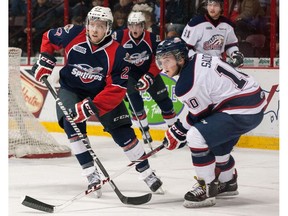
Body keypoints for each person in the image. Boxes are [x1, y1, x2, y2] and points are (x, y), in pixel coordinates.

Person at [30, 6, 163, 197]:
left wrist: (91, 106)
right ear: (87, 24)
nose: (94, 29)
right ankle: (91, 174)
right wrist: (45, 61)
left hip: (103, 93)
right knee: (71, 122)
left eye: (100, 26)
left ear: (108, 28)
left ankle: (147, 172)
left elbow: (117, 88)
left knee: (123, 133)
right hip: (71, 89)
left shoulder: (117, 53)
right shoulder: (73, 34)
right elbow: (48, 38)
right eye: (92, 24)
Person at [155, 37, 266, 208]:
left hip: (242, 108)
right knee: (214, 139)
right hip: (252, 101)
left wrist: (178, 132)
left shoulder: (186, 84)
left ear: (180, 58)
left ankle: (206, 188)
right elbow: (205, 110)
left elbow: (200, 115)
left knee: (196, 136)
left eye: (167, 60)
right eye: (161, 60)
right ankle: (228, 181)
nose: (163, 65)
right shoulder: (198, 59)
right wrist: (178, 129)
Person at [112, 11, 177, 144]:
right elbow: (110, 55)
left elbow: (160, 59)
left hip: (149, 72)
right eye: (132, 25)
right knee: (135, 104)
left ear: (144, 26)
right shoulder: (118, 36)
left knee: (164, 101)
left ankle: (174, 131)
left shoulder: (153, 38)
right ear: (128, 26)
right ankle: (145, 131)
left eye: (138, 25)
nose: (135, 29)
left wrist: (150, 76)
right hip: (128, 75)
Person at [181, 0, 244, 67]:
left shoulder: (227, 25)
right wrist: (196, 59)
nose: (212, 8)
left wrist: (235, 54)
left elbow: (230, 45)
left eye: (215, 5)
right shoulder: (195, 23)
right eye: (209, 5)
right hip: (199, 66)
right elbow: (185, 47)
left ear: (221, 7)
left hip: (218, 65)